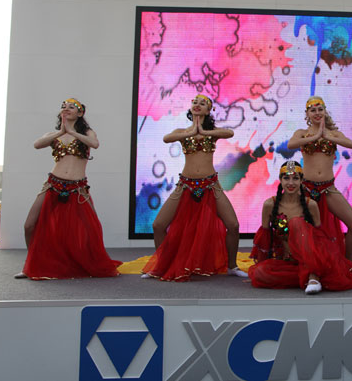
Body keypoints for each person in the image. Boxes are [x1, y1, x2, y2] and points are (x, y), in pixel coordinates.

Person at [141, 94, 247, 281]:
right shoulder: (182, 132)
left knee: (233, 225)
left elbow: (229, 133)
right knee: (158, 225)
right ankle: (161, 266)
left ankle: (232, 266)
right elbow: (167, 138)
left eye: (202, 103)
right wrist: (191, 132)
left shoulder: (212, 133)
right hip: (185, 185)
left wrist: (204, 132)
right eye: (195, 102)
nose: (197, 105)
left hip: (210, 185)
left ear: (208, 110)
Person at [17, 99, 121, 280]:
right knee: (30, 225)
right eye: (63, 107)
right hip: (53, 184)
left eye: (71, 107)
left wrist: (72, 132)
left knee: (91, 228)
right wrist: (61, 132)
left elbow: (94, 144)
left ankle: (90, 262)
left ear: (80, 113)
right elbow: (37, 144)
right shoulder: (54, 134)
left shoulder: (87, 133)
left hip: (78, 188)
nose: (66, 109)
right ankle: (31, 265)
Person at [249, 161, 352, 294]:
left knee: (296, 222)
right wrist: (261, 264)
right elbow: (265, 239)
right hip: (287, 262)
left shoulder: (310, 205)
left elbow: (320, 239)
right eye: (286, 178)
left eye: (295, 178)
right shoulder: (269, 204)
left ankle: (313, 276)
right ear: (280, 180)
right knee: (260, 273)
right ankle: (311, 276)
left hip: (311, 260)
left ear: (301, 181)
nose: (291, 183)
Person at [287, 97, 352, 265]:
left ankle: (347, 264)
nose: (317, 113)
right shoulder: (302, 133)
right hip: (306, 190)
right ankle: (304, 263)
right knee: (299, 228)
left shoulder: (333, 134)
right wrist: (315, 136)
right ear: (307, 114)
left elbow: (350, 144)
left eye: (320, 109)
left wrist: (327, 136)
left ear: (325, 111)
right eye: (313, 110)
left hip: (328, 189)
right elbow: (291, 144)